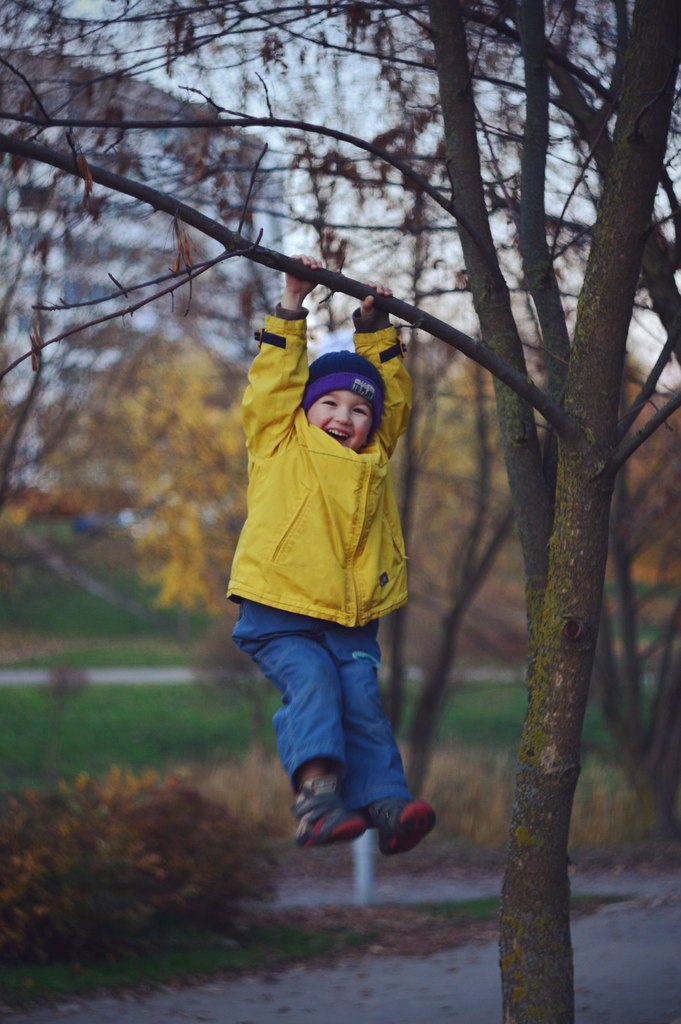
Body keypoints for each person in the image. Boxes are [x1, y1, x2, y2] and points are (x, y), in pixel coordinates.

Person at [228, 255, 435, 855]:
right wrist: (292, 306)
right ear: (305, 409)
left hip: (349, 618)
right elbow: (272, 384)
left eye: (359, 409)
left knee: (363, 701)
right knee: (314, 684)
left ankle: (387, 805)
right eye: (331, 405)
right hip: (280, 613)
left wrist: (376, 330)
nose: (345, 417)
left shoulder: (374, 457)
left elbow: (396, 403)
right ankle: (317, 803)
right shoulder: (279, 440)